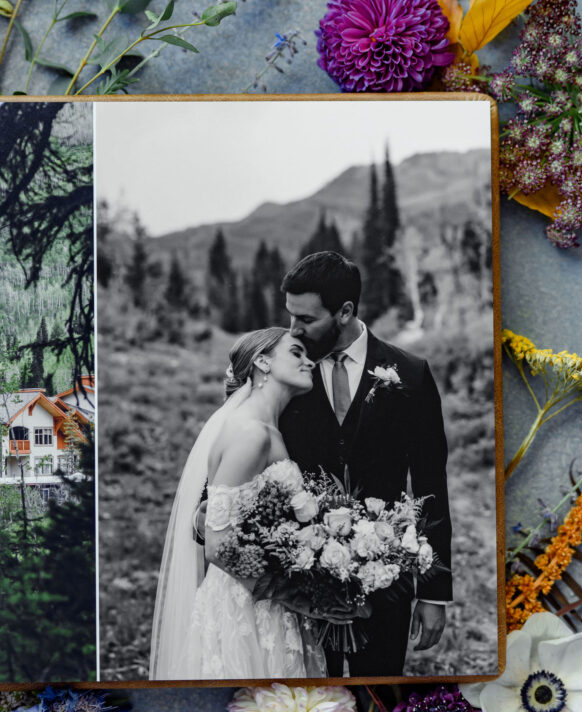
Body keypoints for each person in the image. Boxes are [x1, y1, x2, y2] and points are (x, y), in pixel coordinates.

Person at [279, 251, 452, 678]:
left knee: (376, 696)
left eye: (306, 319)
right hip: (298, 579)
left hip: (386, 578)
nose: (293, 330)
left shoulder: (410, 375)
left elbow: (431, 483)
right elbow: (247, 434)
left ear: (345, 312)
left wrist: (434, 593)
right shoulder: (283, 369)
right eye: (290, 316)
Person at [149, 327, 326, 680]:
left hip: (268, 600)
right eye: (296, 352)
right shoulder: (251, 433)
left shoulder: (267, 428)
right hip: (247, 609)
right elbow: (217, 546)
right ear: (263, 362)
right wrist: (296, 598)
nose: (310, 362)